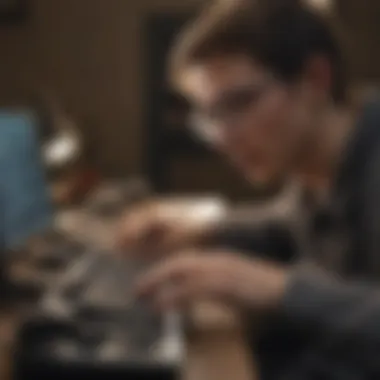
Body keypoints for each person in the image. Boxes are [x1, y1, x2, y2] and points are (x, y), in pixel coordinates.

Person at [119, 0, 380, 378]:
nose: (222, 138)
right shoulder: (317, 169)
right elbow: (288, 224)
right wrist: (204, 231)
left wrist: (272, 286)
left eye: (239, 103)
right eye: (210, 116)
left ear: (315, 80)